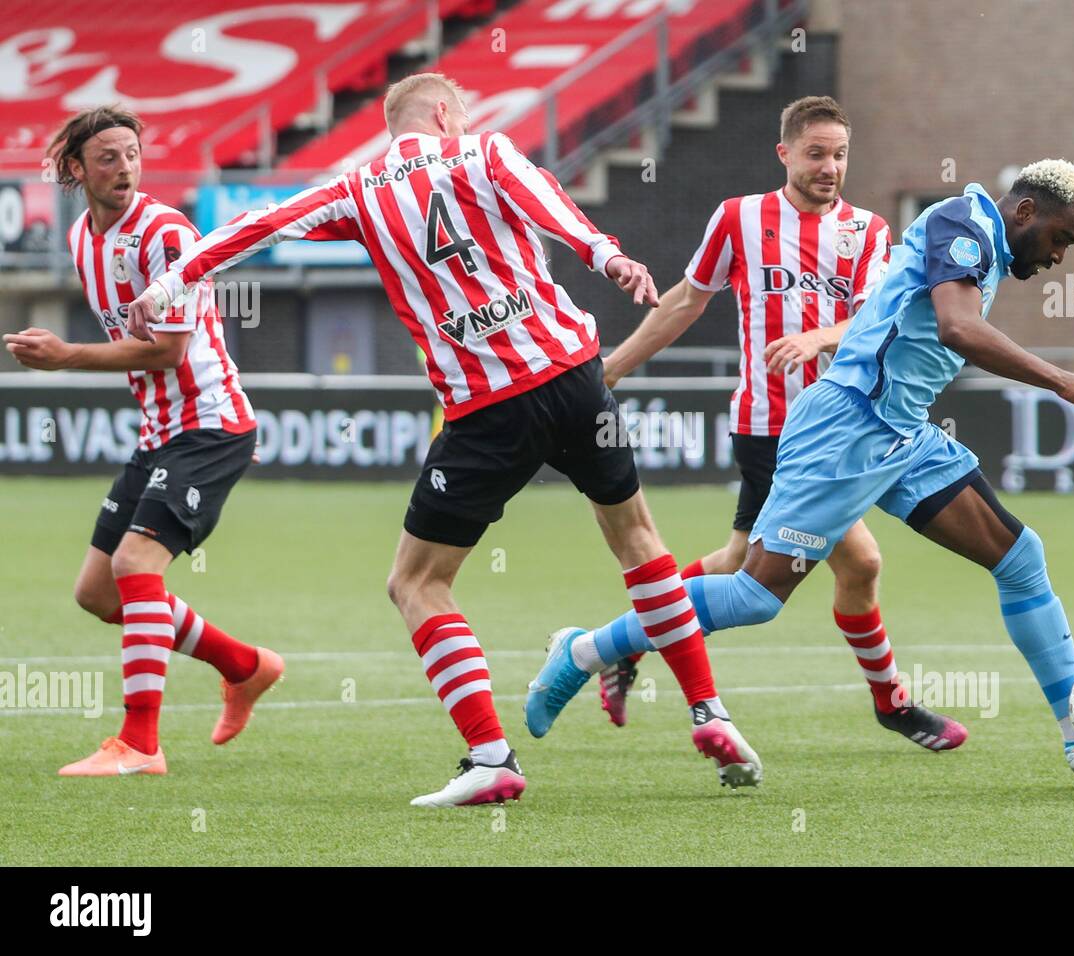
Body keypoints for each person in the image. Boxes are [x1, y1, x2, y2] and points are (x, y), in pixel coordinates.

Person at [124, 73, 761, 806]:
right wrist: (604, 254)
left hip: (490, 407)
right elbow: (546, 198)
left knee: (417, 582)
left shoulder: (358, 189)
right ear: (442, 113)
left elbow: (261, 226)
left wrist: (173, 281)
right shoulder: (485, 152)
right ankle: (709, 709)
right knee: (639, 538)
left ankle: (491, 756)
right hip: (577, 377)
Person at [526, 159, 1074, 776]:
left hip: (900, 434)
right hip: (844, 427)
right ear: (1027, 209)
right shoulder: (962, 223)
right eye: (1060, 238)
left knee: (1020, 557)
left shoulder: (985, 243)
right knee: (754, 597)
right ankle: (584, 650)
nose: (1060, 256)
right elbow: (955, 327)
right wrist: (1059, 378)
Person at [588, 96, 966, 751]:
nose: (829, 167)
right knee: (862, 561)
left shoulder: (869, 232)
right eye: (816, 153)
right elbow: (685, 302)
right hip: (773, 428)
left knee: (745, 561)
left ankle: (631, 641)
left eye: (840, 154)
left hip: (844, 428)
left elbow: (878, 320)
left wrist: (820, 336)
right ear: (784, 153)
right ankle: (892, 702)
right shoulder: (739, 218)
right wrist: (613, 368)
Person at [4, 106, 282, 777]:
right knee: (99, 594)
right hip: (160, 431)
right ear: (76, 169)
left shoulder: (167, 234)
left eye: (131, 153)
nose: (124, 167)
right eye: (107, 157)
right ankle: (244, 666)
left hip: (210, 424)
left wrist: (67, 357)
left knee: (136, 567)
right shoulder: (81, 239)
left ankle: (140, 744)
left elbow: (165, 352)